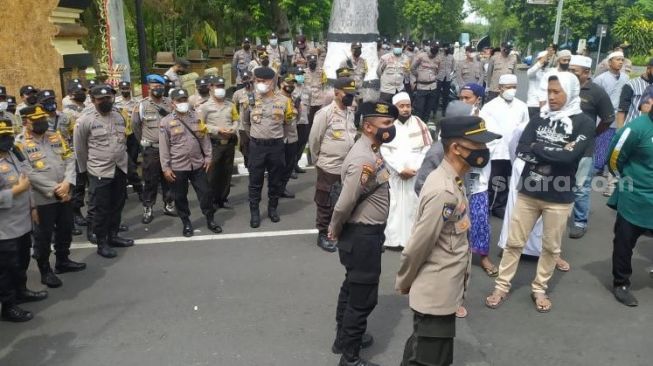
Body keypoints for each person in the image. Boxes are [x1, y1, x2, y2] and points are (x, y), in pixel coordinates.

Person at [486, 72, 594, 313]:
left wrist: (539, 147)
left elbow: (570, 157)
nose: (551, 97)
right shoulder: (539, 118)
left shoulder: (584, 123)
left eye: (557, 92)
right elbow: (522, 150)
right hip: (528, 192)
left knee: (551, 248)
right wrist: (554, 149)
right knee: (514, 243)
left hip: (559, 196)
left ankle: (540, 288)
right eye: (549, 92)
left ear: (571, 92)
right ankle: (502, 286)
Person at [396, 115, 500, 366]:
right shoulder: (443, 190)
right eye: (479, 146)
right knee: (429, 360)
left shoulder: (454, 180)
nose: (485, 152)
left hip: (444, 292)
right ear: (456, 148)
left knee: (423, 354)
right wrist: (405, 281)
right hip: (434, 295)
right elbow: (418, 246)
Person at [328, 101, 397, 366]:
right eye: (385, 124)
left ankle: (342, 340)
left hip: (366, 233)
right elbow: (345, 202)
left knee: (352, 285)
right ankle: (350, 358)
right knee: (363, 298)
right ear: (368, 126)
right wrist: (334, 228)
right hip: (362, 235)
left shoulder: (371, 149)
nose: (390, 128)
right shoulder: (363, 158)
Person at [20, 105, 85, 288]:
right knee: (43, 236)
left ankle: (63, 261)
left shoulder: (54, 135)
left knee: (65, 228)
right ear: (26, 122)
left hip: (64, 193)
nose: (42, 122)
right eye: (37, 120)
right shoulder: (20, 143)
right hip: (42, 198)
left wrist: (67, 183)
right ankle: (45, 270)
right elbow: (27, 173)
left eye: (43, 118)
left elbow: (69, 158)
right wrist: (56, 188)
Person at [74, 84, 134, 259]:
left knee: (117, 205)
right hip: (99, 170)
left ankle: (113, 236)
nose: (106, 101)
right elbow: (80, 150)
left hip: (119, 168)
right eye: (101, 99)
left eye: (108, 97)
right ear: (92, 100)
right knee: (100, 209)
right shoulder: (85, 120)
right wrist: (86, 172)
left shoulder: (118, 115)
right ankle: (102, 243)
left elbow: (124, 140)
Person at [606, 86, 653, 307]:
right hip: (634, 197)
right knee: (625, 242)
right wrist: (626, 183)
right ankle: (621, 282)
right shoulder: (636, 128)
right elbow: (614, 159)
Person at [0, 116, 49, 322]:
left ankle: (21, 291)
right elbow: (21, 186)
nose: (7, 139)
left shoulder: (14, 152)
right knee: (6, 269)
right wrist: (16, 191)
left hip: (22, 221)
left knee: (22, 261)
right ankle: (8, 306)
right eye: (2, 136)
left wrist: (32, 206)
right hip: (4, 228)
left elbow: (26, 179)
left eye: (9, 135)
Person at [160, 88, 221, 237]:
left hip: (197, 164)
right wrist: (166, 168)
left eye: (184, 100)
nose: (182, 103)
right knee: (180, 196)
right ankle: (186, 222)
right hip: (178, 166)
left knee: (206, 192)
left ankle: (210, 219)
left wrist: (208, 157)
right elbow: (164, 147)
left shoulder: (196, 117)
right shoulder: (166, 122)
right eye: (179, 100)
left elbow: (204, 138)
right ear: (173, 103)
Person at [567, 55, 615, 239]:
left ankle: (580, 221)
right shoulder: (565, 87)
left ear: (586, 72)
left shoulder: (596, 92)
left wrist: (593, 134)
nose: (570, 74)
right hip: (561, 145)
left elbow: (608, 118)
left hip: (585, 149)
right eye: (569, 70)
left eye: (575, 71)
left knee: (581, 186)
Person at [241, 66, 295, 228]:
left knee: (275, 180)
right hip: (257, 146)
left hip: (276, 146)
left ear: (271, 82)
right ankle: (255, 212)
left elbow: (287, 124)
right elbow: (245, 123)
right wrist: (256, 137)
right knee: (255, 181)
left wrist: (276, 138)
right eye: (257, 81)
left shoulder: (284, 101)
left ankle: (272, 209)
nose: (259, 84)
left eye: (262, 81)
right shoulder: (249, 100)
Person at [308, 76, 357, 252]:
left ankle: (338, 231)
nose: (350, 97)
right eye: (347, 93)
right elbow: (314, 140)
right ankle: (322, 234)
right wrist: (317, 161)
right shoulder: (325, 113)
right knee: (325, 201)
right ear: (336, 93)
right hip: (329, 165)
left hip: (347, 167)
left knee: (344, 202)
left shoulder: (350, 113)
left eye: (352, 94)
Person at [380, 92, 432, 249]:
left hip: (414, 176)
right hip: (394, 176)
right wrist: (400, 169)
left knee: (413, 206)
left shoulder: (419, 123)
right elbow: (384, 150)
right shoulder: (388, 125)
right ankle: (392, 240)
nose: (405, 109)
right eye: (401, 106)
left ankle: (411, 240)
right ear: (395, 108)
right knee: (393, 206)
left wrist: (414, 168)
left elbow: (426, 148)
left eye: (408, 106)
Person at [482, 74, 530, 219]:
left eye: (514, 87)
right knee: (491, 180)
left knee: (506, 181)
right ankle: (486, 206)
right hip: (496, 150)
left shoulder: (522, 106)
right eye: (508, 87)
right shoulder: (490, 106)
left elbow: (525, 126)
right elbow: (485, 128)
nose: (511, 90)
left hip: (513, 151)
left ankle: (499, 206)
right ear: (500, 88)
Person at [132, 74, 176, 224]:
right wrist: (145, 143)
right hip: (151, 149)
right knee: (150, 180)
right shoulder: (142, 105)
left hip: (169, 149)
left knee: (169, 179)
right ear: (149, 87)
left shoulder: (170, 103)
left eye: (160, 86)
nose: (157, 88)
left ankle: (169, 205)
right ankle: (148, 208)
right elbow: (136, 126)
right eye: (154, 86)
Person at [198, 77, 239, 209]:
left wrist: (233, 129)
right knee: (212, 174)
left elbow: (236, 120)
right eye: (217, 86)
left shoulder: (230, 104)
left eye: (222, 85)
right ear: (210, 87)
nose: (220, 88)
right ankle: (212, 200)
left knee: (226, 173)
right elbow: (200, 125)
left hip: (229, 143)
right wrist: (217, 130)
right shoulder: (204, 106)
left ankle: (223, 198)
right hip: (213, 144)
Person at [593, 51, 629, 196]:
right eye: (617, 60)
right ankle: (594, 173)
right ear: (609, 62)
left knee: (615, 151)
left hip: (620, 119)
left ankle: (610, 182)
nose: (620, 62)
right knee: (601, 150)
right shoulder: (600, 79)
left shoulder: (626, 78)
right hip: (604, 119)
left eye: (622, 60)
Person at [115, 81, 144, 201]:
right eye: (123, 88)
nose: (125, 90)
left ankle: (138, 190)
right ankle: (125, 190)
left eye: (127, 88)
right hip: (120, 136)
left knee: (131, 160)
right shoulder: (115, 102)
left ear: (130, 88)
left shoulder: (138, 102)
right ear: (120, 89)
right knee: (125, 165)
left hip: (132, 135)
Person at [617, 57, 653, 128]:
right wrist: (619, 130)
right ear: (648, 69)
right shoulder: (631, 84)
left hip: (649, 131)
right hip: (632, 128)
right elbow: (622, 110)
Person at [411, 42, 439, 121]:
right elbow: (412, 68)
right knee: (419, 109)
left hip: (432, 86)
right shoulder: (421, 56)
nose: (433, 54)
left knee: (428, 109)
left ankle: (425, 125)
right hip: (422, 87)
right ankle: (418, 124)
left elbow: (438, 70)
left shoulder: (438, 58)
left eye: (435, 52)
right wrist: (419, 76)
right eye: (432, 51)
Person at [232, 71, 255, 168]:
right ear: (242, 80)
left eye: (248, 78)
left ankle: (255, 164)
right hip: (243, 126)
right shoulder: (238, 93)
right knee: (245, 146)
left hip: (257, 124)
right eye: (245, 79)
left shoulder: (258, 92)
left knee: (255, 146)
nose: (247, 81)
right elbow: (233, 108)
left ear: (252, 79)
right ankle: (248, 164)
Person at [292, 68, 309, 174]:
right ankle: (290, 168)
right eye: (298, 75)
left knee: (302, 144)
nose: (300, 76)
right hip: (294, 122)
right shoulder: (291, 88)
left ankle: (296, 164)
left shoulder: (308, 89)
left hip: (304, 121)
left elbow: (309, 105)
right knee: (293, 145)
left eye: (302, 75)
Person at [526, 51, 550, 119]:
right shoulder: (532, 71)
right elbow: (530, 72)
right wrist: (542, 61)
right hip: (533, 105)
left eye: (547, 59)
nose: (546, 61)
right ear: (539, 60)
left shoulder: (549, 71)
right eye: (544, 59)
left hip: (546, 106)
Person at [434, 44, 455, 117]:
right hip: (439, 78)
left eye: (447, 48)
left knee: (446, 96)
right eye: (445, 48)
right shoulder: (439, 56)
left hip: (447, 78)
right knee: (436, 95)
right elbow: (436, 67)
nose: (446, 49)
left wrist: (449, 74)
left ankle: (444, 111)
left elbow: (452, 68)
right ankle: (434, 111)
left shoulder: (451, 57)